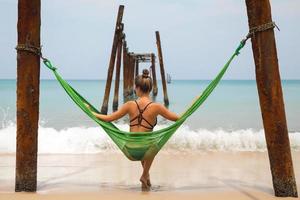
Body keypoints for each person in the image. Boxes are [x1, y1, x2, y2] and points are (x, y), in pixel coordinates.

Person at [87, 69, 179, 190]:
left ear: (137, 88)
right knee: (153, 144)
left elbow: (108, 118)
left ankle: (147, 177)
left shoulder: (129, 105)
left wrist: (91, 112)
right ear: (150, 89)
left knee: (143, 144)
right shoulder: (157, 107)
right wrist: (193, 106)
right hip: (146, 150)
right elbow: (177, 118)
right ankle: (144, 174)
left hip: (130, 150)